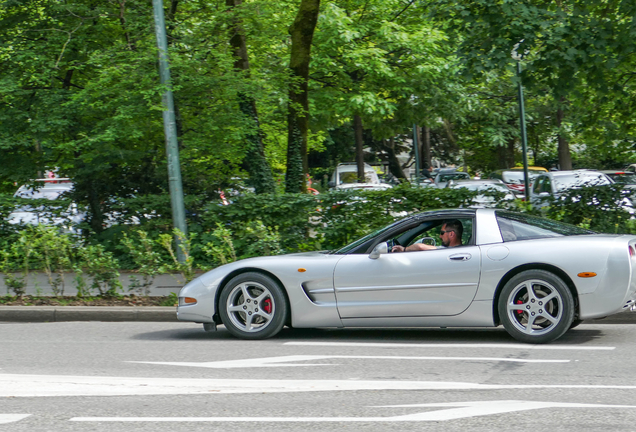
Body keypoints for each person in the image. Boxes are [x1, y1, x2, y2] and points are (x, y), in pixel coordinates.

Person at [392, 219, 463, 252]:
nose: (440, 236)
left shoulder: (448, 251)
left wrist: (404, 249)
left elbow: (420, 247)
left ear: (451, 234)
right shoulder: (462, 250)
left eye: (442, 233)